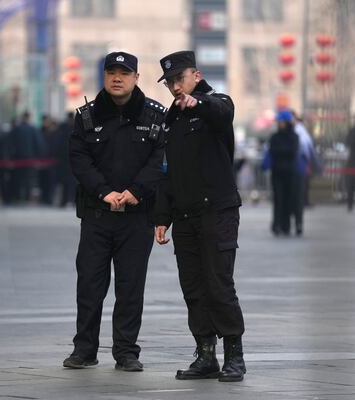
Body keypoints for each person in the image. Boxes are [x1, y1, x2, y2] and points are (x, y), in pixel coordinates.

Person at [64, 51, 165, 372]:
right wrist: (103, 191)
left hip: (137, 216)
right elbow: (79, 158)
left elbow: (161, 160)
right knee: (90, 286)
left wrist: (136, 191)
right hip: (97, 214)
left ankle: (126, 352)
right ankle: (84, 350)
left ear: (137, 78)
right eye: (111, 72)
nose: (117, 78)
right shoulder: (87, 116)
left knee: (130, 286)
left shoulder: (155, 116)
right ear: (104, 77)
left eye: (124, 72)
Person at [153, 50, 245, 382]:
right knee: (193, 288)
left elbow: (222, 113)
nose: (176, 86)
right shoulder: (171, 118)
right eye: (170, 81)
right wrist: (161, 217)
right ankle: (206, 355)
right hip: (185, 216)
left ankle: (235, 355)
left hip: (217, 212)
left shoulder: (216, 103)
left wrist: (199, 103)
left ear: (196, 75)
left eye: (181, 78)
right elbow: (167, 171)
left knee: (219, 285)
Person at [269, 110, 299, 236]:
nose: (279, 124)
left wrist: (280, 151)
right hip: (277, 172)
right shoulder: (274, 137)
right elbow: (273, 151)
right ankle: (276, 225)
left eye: (281, 122)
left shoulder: (294, 137)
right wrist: (283, 151)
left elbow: (292, 152)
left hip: (289, 173)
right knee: (277, 199)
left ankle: (286, 225)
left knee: (288, 199)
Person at [9, 111, 43, 203]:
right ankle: (28, 196)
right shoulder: (33, 129)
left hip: (18, 158)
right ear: (29, 118)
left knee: (19, 178)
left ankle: (19, 196)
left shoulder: (16, 129)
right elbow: (38, 144)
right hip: (30, 158)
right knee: (29, 178)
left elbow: (11, 144)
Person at [54, 112, 77, 207]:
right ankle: (74, 200)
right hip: (75, 157)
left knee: (64, 182)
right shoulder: (78, 126)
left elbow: (57, 142)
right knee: (74, 181)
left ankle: (64, 201)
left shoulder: (62, 127)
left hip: (63, 158)